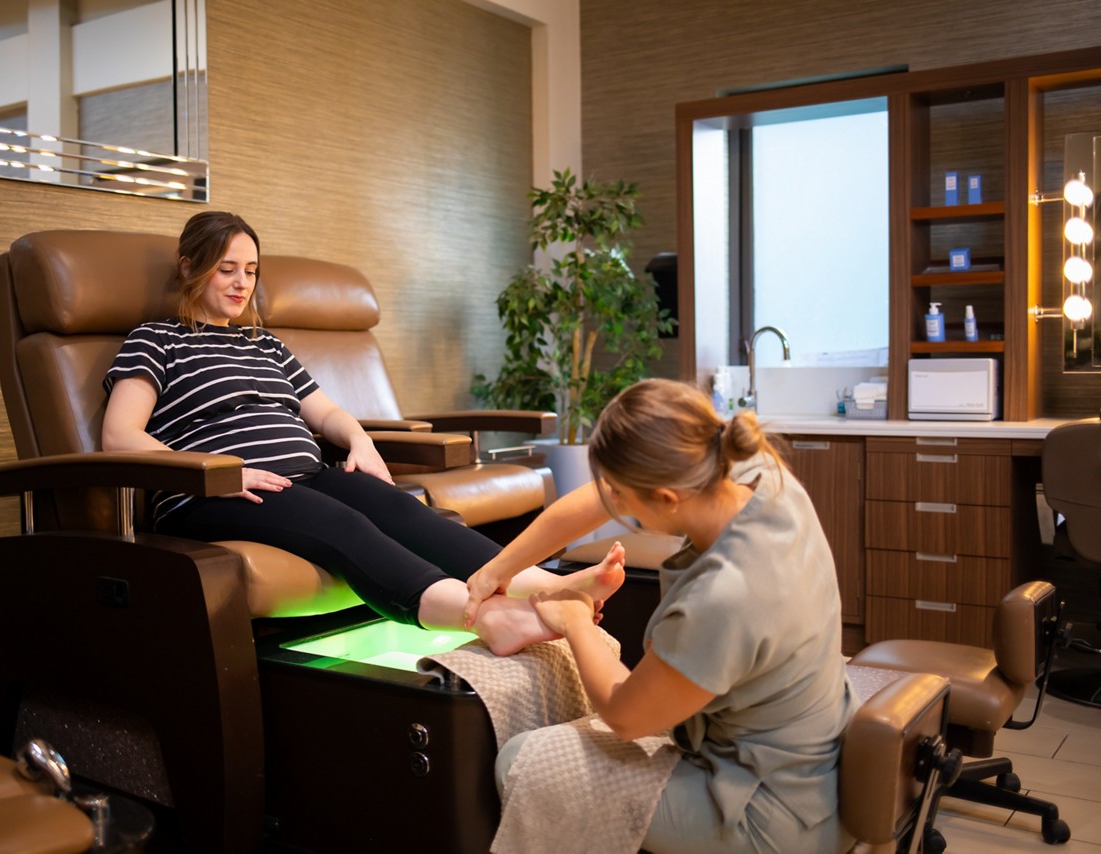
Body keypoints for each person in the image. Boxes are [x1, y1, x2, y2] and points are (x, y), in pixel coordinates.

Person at [101, 210, 624, 655]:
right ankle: (486, 619)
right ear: (190, 268)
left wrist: (360, 441)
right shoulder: (157, 340)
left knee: (402, 510)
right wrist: (222, 473)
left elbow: (325, 412)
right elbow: (120, 435)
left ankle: (549, 586)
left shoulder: (266, 345)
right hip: (216, 491)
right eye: (226, 269)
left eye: (251, 271)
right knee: (343, 524)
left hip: (304, 475)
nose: (241, 283)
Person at [467, 379, 858, 852]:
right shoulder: (753, 469)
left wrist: (573, 618)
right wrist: (498, 568)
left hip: (771, 814)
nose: (614, 507)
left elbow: (627, 716)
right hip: (818, 761)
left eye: (625, 504)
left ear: (668, 498)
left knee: (522, 761)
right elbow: (597, 497)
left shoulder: (726, 595)